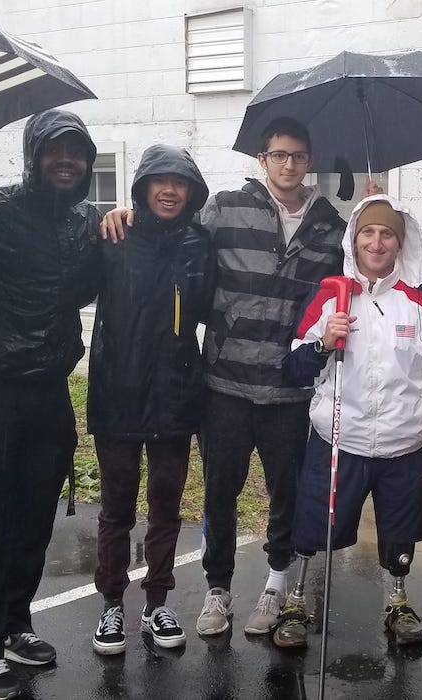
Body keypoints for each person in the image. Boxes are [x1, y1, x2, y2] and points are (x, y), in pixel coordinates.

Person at [99, 118, 376, 638]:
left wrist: (373, 214)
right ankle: (218, 590)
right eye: (279, 155)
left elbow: (369, 267)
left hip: (290, 389)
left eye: (298, 156)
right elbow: (171, 234)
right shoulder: (225, 208)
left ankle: (275, 585)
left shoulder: (331, 227)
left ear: (309, 161)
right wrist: (127, 216)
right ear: (261, 159)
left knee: (285, 493)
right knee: (219, 494)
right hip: (224, 384)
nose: (289, 164)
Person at [273, 195, 422, 649]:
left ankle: (398, 600)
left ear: (401, 242)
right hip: (339, 440)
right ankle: (295, 600)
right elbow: (293, 368)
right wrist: (323, 343)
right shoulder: (331, 296)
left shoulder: (421, 302)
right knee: (314, 525)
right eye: (368, 233)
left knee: (401, 529)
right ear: (353, 240)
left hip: (403, 445)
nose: (377, 243)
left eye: (387, 234)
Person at [0, 109, 102, 700]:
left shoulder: (87, 223)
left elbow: (95, 281)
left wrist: (121, 221)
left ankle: (16, 623)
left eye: (78, 152)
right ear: (33, 156)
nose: (67, 161)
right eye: (55, 150)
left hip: (50, 390)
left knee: (35, 518)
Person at [87, 144, 214, 655]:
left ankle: (157, 601)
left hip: (175, 397)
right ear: (142, 187)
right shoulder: (113, 236)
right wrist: (103, 218)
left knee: (166, 505)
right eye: (160, 180)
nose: (169, 190)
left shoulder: (200, 244)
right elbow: (75, 284)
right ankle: (111, 604)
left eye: (179, 182)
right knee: (116, 507)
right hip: (117, 394)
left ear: (192, 191)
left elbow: (212, 308)